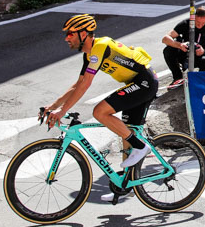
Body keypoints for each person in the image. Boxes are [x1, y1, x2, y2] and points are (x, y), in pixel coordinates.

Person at [46, 15, 158, 193]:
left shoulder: (100, 47)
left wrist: (62, 112)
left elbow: (85, 85)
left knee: (100, 112)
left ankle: (141, 147)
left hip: (144, 82)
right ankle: (125, 182)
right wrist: (53, 106)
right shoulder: (89, 54)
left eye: (70, 34)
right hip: (136, 84)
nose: (67, 38)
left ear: (84, 34)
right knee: (126, 130)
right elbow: (77, 84)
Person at [160, 7, 205, 90]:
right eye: (198, 22)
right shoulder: (186, 23)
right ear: (194, 17)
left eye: (203, 23)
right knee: (168, 51)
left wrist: (204, 50)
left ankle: (199, 80)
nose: (200, 26)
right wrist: (179, 45)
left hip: (200, 55)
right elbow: (165, 39)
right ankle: (177, 77)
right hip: (185, 52)